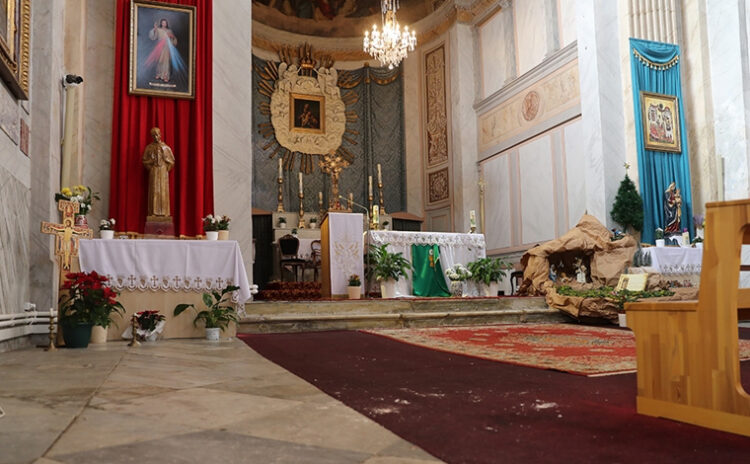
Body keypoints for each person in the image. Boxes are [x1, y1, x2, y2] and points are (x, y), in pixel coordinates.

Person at [142, 127, 175, 218]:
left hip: (163, 172)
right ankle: (153, 213)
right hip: (154, 171)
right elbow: (144, 161)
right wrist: (151, 165)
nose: (156, 137)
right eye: (153, 135)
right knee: (154, 192)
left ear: (160, 134)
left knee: (163, 192)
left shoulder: (166, 147)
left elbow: (172, 161)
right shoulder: (149, 148)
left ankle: (164, 213)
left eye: (157, 134)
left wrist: (165, 169)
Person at [147, 18, 178, 82]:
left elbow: (174, 40)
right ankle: (159, 74)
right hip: (159, 47)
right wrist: (155, 29)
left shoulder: (169, 31)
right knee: (159, 61)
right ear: (161, 23)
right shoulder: (158, 29)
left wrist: (172, 37)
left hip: (167, 47)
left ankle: (165, 76)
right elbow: (153, 37)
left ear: (167, 23)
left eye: (165, 23)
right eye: (163, 22)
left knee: (166, 62)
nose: (164, 24)